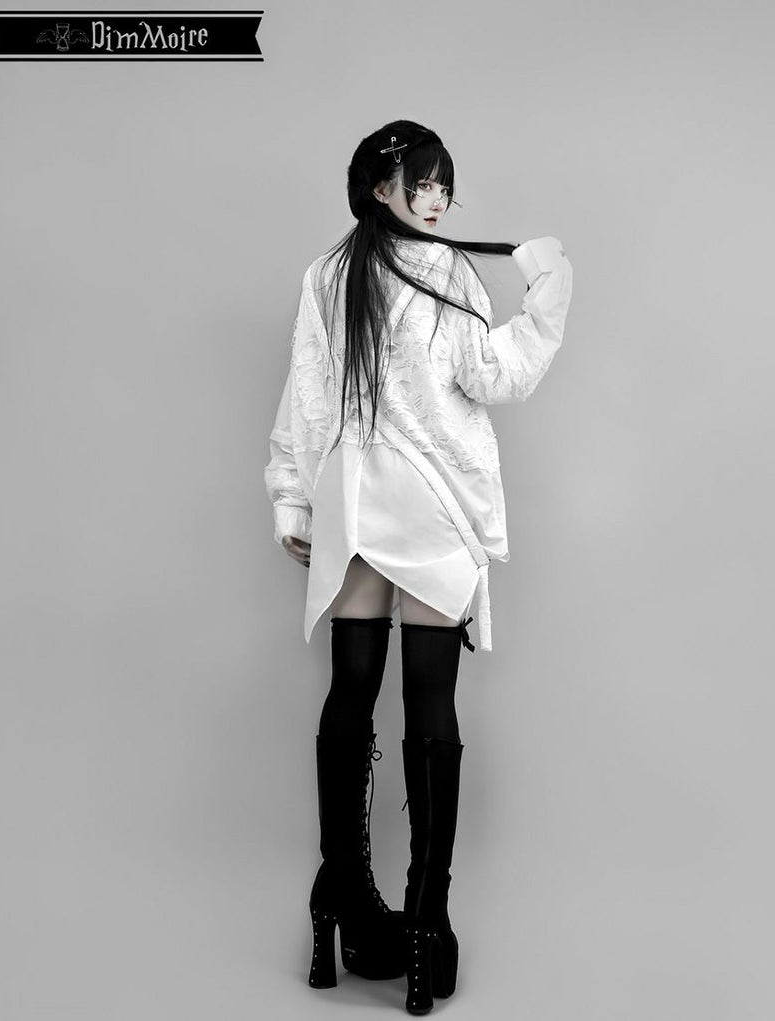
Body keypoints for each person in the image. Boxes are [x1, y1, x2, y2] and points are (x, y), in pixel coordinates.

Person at [264, 119, 573, 1015]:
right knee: (427, 699)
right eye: (422, 182)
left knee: (351, 691)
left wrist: (294, 497)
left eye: (444, 184)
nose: (437, 199)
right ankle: (426, 922)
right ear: (381, 186)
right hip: (431, 503)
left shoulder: (330, 273)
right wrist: (548, 295)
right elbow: (492, 375)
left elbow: (308, 392)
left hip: (357, 498)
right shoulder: (444, 272)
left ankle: (342, 893)